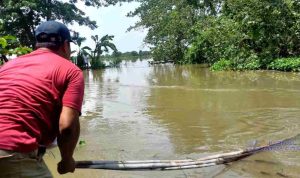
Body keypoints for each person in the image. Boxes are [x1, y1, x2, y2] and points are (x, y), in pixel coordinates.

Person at [0, 20, 84, 177]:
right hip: (12, 150)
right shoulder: (71, 71)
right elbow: (66, 127)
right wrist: (67, 160)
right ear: (66, 45)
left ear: (37, 44)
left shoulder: (7, 66)